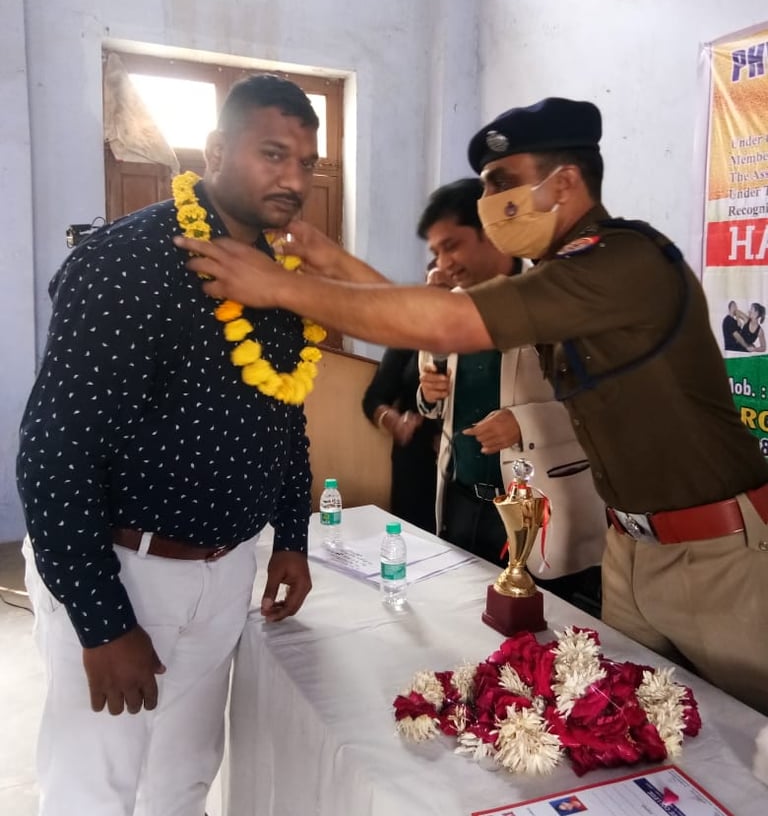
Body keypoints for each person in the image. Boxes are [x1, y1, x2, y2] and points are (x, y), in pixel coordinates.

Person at [172, 96, 768, 716]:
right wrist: (330, 260)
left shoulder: (620, 262)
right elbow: (436, 319)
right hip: (631, 548)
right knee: (626, 725)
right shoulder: (559, 275)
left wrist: (281, 285)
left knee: (747, 749)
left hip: (718, 552)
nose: (488, 205)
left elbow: (452, 320)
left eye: (502, 184)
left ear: (564, 182)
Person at [16, 74, 319, 816]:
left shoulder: (282, 279)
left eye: (307, 162)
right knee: (95, 785)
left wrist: (291, 536)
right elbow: (54, 455)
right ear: (217, 150)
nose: (292, 178)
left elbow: (285, 416)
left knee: (184, 777)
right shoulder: (126, 264)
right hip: (126, 567)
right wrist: (101, 618)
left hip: (224, 572)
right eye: (272, 153)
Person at [415, 178, 605, 613]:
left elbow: (598, 402)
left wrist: (523, 423)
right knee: (460, 624)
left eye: (452, 247)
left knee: (534, 642)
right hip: (461, 496)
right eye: (437, 252)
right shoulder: (449, 304)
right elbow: (430, 399)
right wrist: (429, 391)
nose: (442, 264)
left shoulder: (553, 296)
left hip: (533, 504)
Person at [361, 263, 447, 533]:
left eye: (447, 290)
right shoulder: (409, 335)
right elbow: (374, 398)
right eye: (432, 290)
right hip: (415, 465)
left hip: (465, 471)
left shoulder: (479, 339)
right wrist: (394, 422)